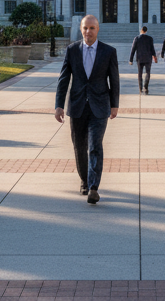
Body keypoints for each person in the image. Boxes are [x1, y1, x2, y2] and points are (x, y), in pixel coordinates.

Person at [54, 13, 120, 204]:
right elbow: (64, 79)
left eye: (92, 28)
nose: (88, 31)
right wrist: (59, 105)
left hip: (100, 106)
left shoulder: (109, 52)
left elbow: (114, 80)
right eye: (85, 28)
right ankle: (84, 180)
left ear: (98, 29)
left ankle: (93, 187)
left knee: (95, 146)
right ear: (81, 29)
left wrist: (114, 104)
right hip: (77, 106)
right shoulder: (72, 50)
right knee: (79, 146)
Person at [128, 24, 157, 93]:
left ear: (141, 30)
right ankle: (146, 87)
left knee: (140, 73)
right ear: (146, 31)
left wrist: (131, 60)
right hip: (148, 58)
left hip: (140, 58)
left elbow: (133, 49)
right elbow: (152, 49)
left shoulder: (137, 38)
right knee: (148, 72)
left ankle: (140, 88)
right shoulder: (150, 38)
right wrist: (154, 56)